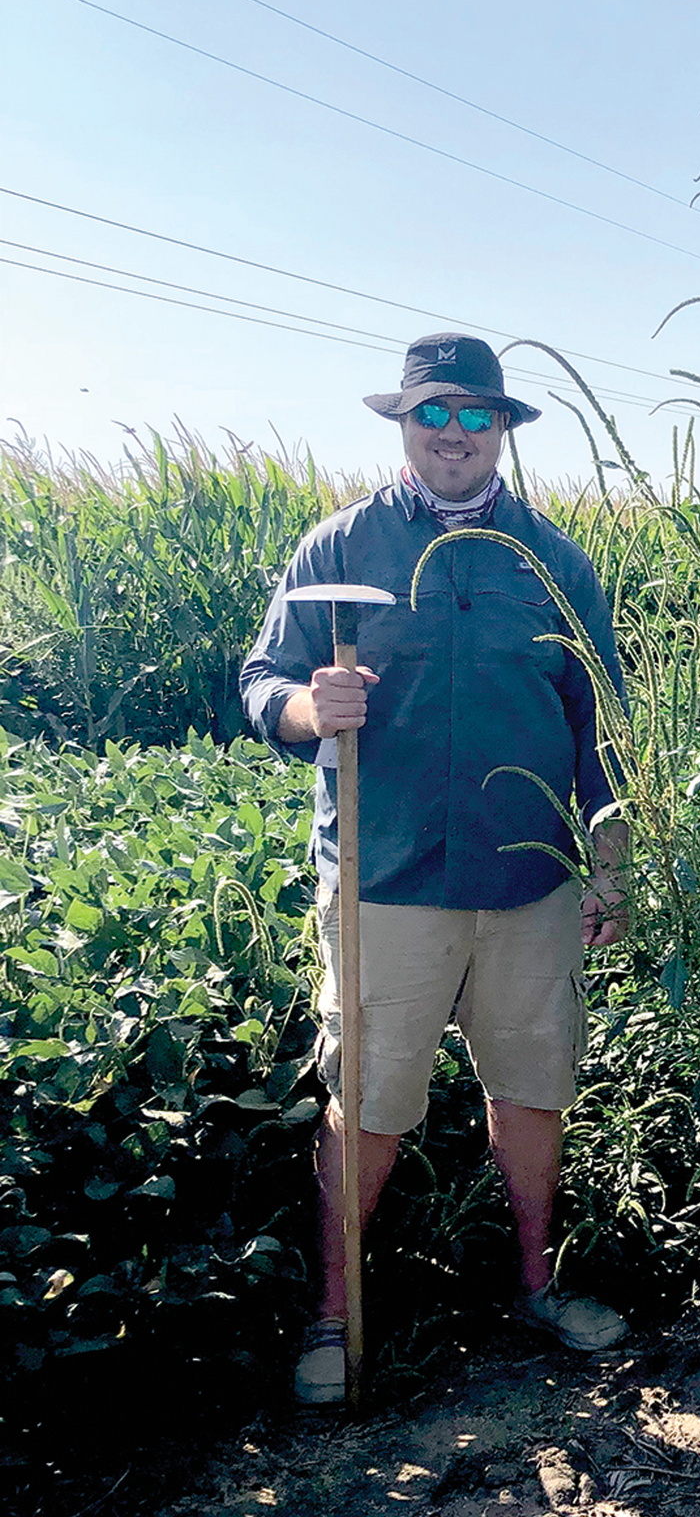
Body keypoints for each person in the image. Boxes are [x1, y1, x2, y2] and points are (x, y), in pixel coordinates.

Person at [241, 333, 631, 1407]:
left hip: (530, 881)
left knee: (534, 1085)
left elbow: (603, 723)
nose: (453, 435)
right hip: (385, 879)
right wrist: (306, 708)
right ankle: (333, 1317)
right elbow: (257, 677)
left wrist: (609, 860)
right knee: (365, 1099)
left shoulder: (554, 562)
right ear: (403, 423)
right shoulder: (340, 546)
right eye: (434, 414)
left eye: (475, 415)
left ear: (500, 428)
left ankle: (539, 1287)